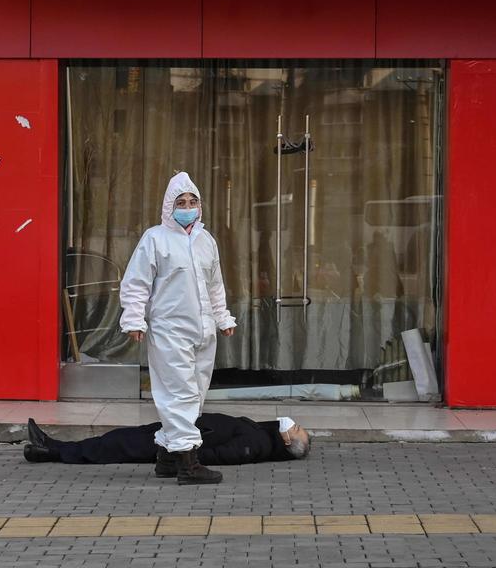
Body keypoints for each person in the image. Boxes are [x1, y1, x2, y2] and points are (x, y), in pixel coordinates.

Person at [119, 172, 237, 485]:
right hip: (169, 329)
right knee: (180, 394)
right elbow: (137, 282)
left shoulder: (205, 240)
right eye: (180, 202)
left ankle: (166, 457)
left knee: (195, 393)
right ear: (169, 206)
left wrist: (222, 317)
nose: (187, 206)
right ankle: (188, 464)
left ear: (200, 206)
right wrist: (134, 319)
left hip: (203, 329)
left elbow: (215, 284)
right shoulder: (155, 238)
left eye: (192, 201)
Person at [22, 414, 311, 468]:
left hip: (177, 442)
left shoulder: (258, 446)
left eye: (296, 428)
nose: (293, 423)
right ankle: (47, 449)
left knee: (114, 447)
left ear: (288, 442)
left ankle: (50, 449)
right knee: (117, 439)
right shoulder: (264, 436)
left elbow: (223, 454)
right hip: (179, 429)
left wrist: (182, 453)